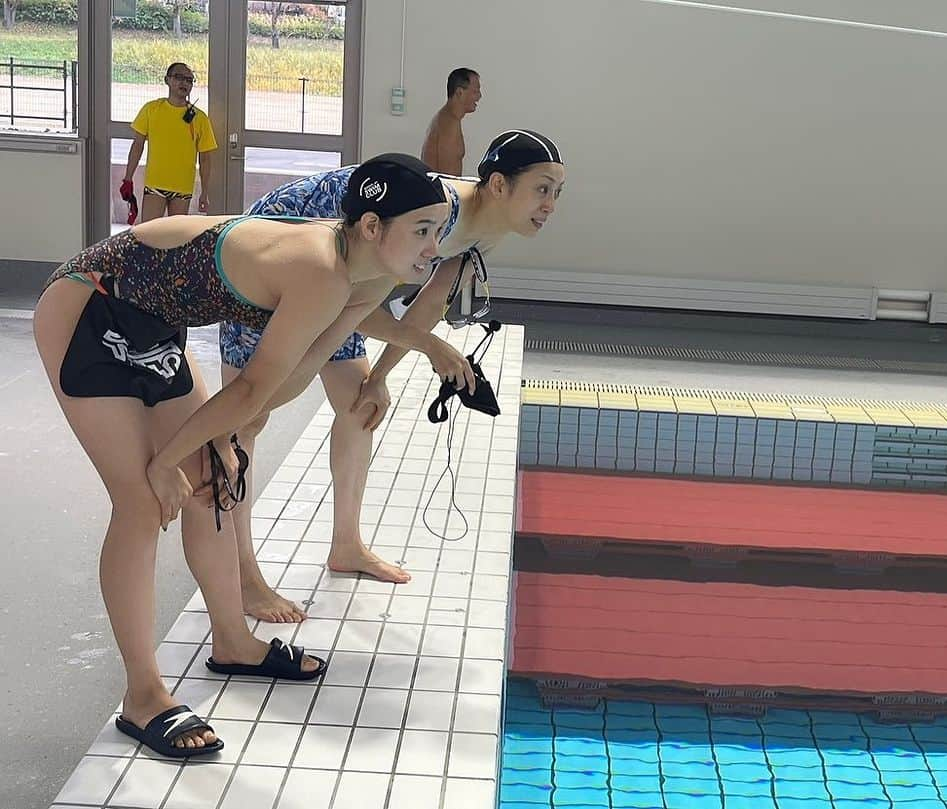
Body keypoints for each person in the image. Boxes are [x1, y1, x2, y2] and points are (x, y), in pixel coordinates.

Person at [34, 154, 474, 757]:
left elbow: (289, 379)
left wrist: (218, 440)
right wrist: (172, 458)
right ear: (372, 227)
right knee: (141, 498)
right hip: (91, 303)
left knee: (217, 477)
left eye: (438, 231)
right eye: (422, 230)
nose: (434, 246)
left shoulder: (366, 275)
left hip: (155, 321)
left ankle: (234, 642)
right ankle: (143, 695)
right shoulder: (320, 267)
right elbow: (250, 389)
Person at [220, 129, 565, 623]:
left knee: (362, 407)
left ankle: (346, 546)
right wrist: (430, 348)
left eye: (557, 192)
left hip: (347, 283)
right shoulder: (434, 213)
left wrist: (380, 376)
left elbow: (424, 307)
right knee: (244, 423)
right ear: (498, 186)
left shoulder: (491, 231)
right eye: (542, 188)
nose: (551, 204)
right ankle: (243, 576)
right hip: (280, 252)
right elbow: (354, 302)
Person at [120, 63, 217, 222]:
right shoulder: (151, 109)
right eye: (179, 77)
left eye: (189, 80)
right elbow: (137, 145)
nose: (184, 83)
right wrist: (128, 177)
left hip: (182, 188)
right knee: (149, 235)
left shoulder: (199, 118)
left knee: (175, 240)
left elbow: (205, 158)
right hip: (155, 185)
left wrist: (204, 192)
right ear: (167, 80)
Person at [421, 68, 481, 175]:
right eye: (475, 91)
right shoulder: (449, 124)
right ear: (459, 92)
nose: (479, 96)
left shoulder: (446, 118)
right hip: (440, 190)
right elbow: (447, 178)